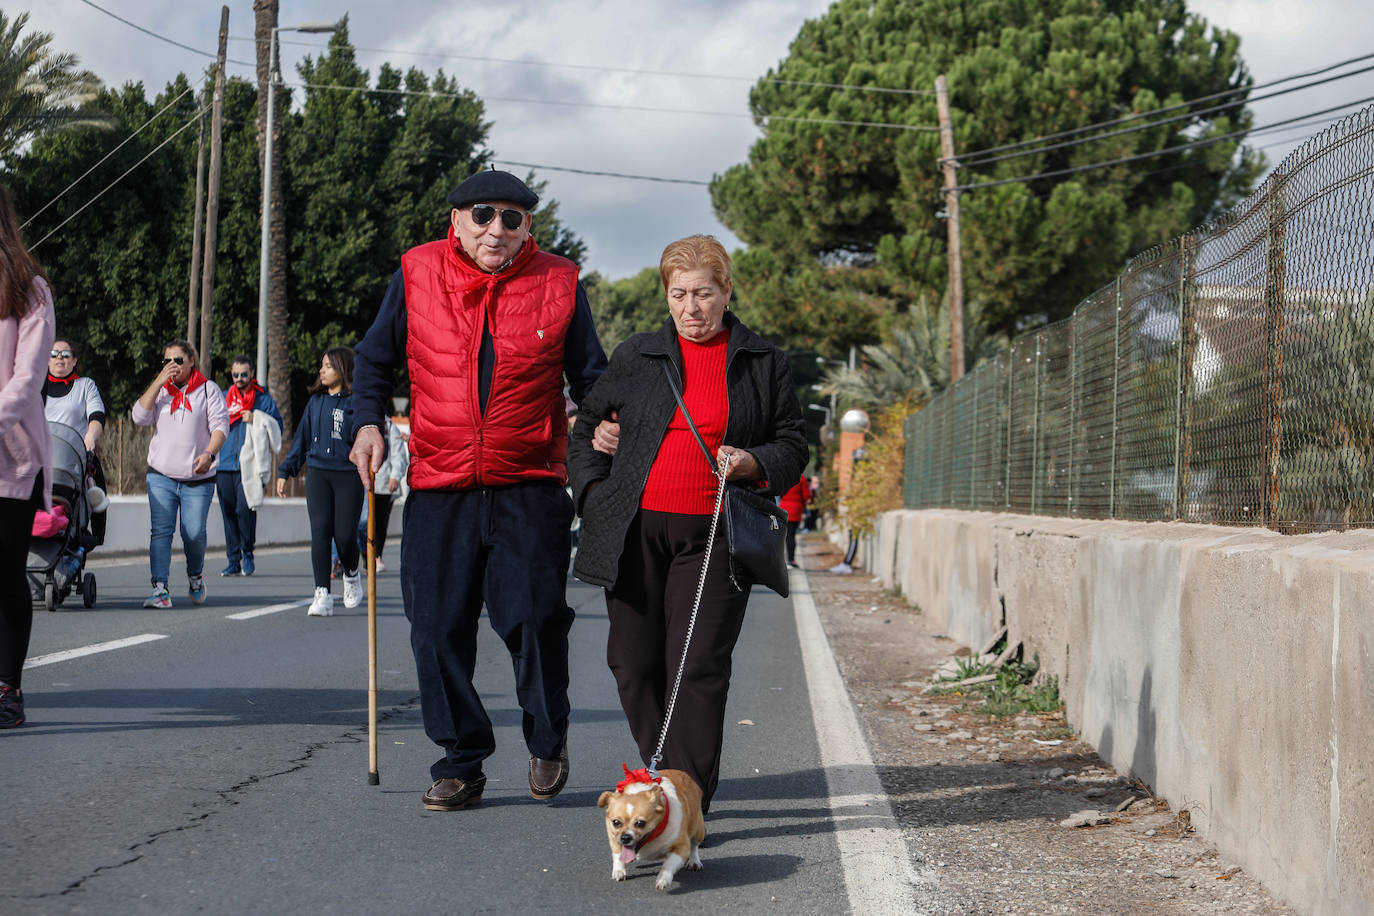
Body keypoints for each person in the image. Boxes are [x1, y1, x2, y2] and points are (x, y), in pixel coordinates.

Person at [349, 168, 606, 811]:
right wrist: (367, 423)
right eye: (483, 215)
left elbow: (592, 376)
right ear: (457, 219)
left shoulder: (560, 282)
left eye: (512, 218)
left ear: (528, 229)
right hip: (440, 482)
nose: (497, 229)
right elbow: (374, 361)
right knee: (436, 628)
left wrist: (603, 425)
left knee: (535, 621)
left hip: (530, 484)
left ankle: (548, 741)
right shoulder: (415, 273)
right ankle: (461, 761)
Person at [567, 234, 808, 814]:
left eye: (703, 293)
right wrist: (595, 490)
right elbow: (588, 431)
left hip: (714, 536)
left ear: (727, 292)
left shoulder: (763, 362)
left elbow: (793, 444)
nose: (691, 308)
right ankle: (670, 776)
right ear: (666, 296)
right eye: (679, 295)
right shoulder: (636, 355)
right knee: (632, 665)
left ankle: (683, 800)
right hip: (633, 530)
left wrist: (753, 461)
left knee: (696, 666)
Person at [0, 184, 55, 729]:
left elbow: (26, 379)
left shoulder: (30, 292)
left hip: (10, 459)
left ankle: (8, 688)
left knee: (5, 574)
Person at [131, 339, 229, 608]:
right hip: (161, 475)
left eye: (177, 360)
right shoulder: (161, 392)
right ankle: (160, 589)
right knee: (161, 532)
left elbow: (221, 426)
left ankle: (195, 575)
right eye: (166, 361)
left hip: (198, 478)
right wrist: (158, 381)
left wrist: (209, 454)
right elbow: (138, 417)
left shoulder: (208, 390)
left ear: (191, 361)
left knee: (193, 533)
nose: (171, 366)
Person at [276, 347, 361, 617]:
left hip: (348, 474)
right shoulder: (315, 403)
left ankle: (352, 572)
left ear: (343, 369)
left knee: (345, 535)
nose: (321, 371)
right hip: (318, 473)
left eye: (328, 366)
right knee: (321, 532)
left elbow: (369, 436)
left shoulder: (356, 403)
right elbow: (301, 439)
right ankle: (322, 593)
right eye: (321, 366)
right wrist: (285, 471)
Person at [216, 354, 282, 576]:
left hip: (250, 466)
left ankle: (248, 552)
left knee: (245, 510)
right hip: (224, 464)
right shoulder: (225, 398)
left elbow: (277, 427)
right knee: (228, 513)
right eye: (235, 374)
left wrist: (256, 418)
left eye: (244, 374)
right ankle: (233, 560)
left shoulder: (263, 399)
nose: (239, 378)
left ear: (252, 374)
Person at [42, 337, 108, 545]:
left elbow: (97, 416)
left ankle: (92, 533)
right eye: (53, 354)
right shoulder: (36, 387)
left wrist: (91, 436)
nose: (59, 358)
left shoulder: (85, 385)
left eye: (65, 354)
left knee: (96, 483)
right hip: (40, 457)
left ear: (74, 360)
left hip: (75, 456)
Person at [355, 417, 407, 573]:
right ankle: (366, 555)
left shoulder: (390, 426)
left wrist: (395, 476)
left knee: (380, 522)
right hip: (365, 482)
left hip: (384, 483)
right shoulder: (362, 421)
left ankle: (377, 555)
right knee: (364, 522)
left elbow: (398, 453)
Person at [779, 472, 812, 568]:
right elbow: (806, 495)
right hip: (795, 510)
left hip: (783, 507)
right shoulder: (801, 478)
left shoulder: (784, 476)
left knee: (781, 536)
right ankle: (791, 560)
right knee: (791, 536)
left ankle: (779, 560)